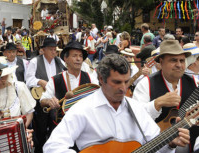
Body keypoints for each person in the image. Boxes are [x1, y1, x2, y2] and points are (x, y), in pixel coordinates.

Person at [43, 54, 190, 152]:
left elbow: (154, 144)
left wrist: (170, 143)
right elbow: (52, 146)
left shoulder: (137, 109)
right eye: (116, 82)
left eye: (126, 82)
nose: (123, 88)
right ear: (101, 79)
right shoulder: (83, 109)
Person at [133, 40, 196, 122]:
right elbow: (136, 117)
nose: (179, 65)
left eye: (182, 60)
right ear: (161, 62)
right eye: (173, 60)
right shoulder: (146, 84)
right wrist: (157, 103)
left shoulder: (194, 82)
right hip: (158, 134)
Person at [40, 41, 99, 122]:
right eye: (74, 56)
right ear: (65, 59)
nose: (78, 59)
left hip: (86, 125)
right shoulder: (55, 80)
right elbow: (42, 101)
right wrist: (49, 102)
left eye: (80, 56)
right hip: (62, 126)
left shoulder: (90, 78)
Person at [26, 37, 66, 153]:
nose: (54, 52)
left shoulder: (59, 61)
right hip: (41, 100)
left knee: (55, 127)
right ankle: (40, 149)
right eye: (51, 49)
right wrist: (40, 81)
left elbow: (65, 74)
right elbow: (28, 80)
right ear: (44, 50)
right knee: (41, 129)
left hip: (56, 100)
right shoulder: (35, 61)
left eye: (55, 49)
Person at [0, 58, 36, 128]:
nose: (1, 79)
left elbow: (29, 113)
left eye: (4, 75)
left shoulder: (19, 87)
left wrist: (21, 131)